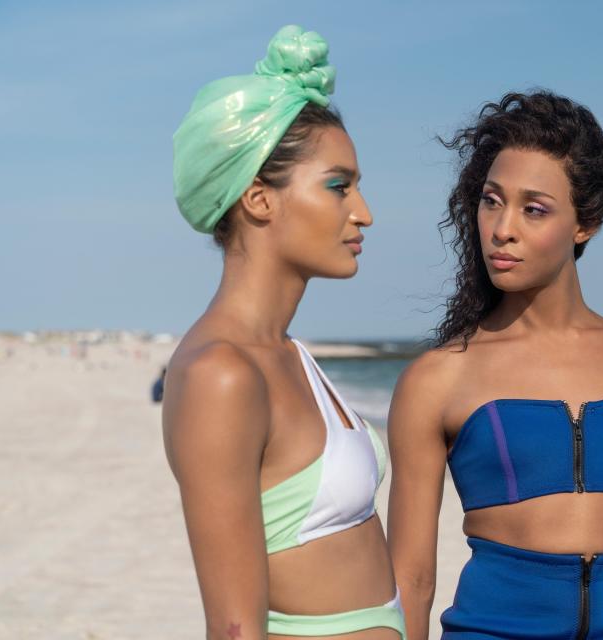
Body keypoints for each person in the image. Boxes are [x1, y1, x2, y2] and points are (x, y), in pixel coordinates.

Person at [387, 91, 603, 639]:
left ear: (585, 222)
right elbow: (411, 575)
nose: (502, 228)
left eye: (534, 209)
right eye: (491, 201)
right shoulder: (439, 378)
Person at [163, 26, 405, 639]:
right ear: (258, 200)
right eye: (338, 185)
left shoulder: (289, 354)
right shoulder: (221, 373)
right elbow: (237, 627)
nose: (364, 212)